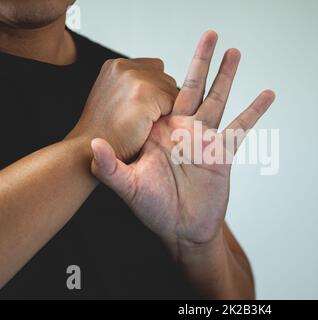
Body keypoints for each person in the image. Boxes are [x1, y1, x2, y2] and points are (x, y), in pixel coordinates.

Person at [0, 0, 275, 299]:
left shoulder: (133, 90)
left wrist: (197, 247)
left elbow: (242, 300)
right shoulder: (125, 100)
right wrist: (92, 141)